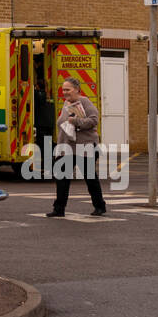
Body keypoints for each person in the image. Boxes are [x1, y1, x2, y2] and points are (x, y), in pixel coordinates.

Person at [46, 77, 107, 217]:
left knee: (90, 178)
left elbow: (93, 120)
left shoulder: (84, 102)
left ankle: (100, 206)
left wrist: (76, 121)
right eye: (63, 90)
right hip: (67, 147)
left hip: (84, 147)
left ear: (77, 90)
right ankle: (59, 209)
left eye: (68, 89)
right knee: (62, 178)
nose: (65, 92)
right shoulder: (66, 103)